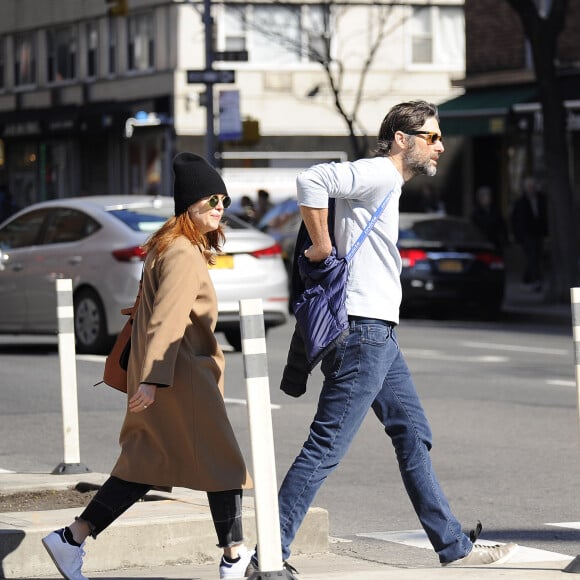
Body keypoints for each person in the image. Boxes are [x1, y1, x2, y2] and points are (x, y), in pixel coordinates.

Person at [251, 100, 517, 572]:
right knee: (326, 445)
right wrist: (322, 244)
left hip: (378, 335)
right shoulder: (378, 172)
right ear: (402, 139)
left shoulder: (388, 183)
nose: (440, 146)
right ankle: (269, 555)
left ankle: (452, 546)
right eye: (431, 137)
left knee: (413, 433)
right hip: (361, 332)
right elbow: (311, 179)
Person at [42, 152, 254, 580]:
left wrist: (151, 375)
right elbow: (168, 318)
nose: (219, 208)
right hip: (181, 375)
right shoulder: (182, 253)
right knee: (224, 463)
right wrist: (155, 379)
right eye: (211, 200)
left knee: (146, 464)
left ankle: (72, 538)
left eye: (224, 201)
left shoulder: (171, 245)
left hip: (168, 371)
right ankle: (233, 557)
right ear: (188, 204)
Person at [510, 175, 548, 291]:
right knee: (532, 256)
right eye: (529, 187)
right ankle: (537, 280)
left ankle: (527, 279)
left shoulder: (541, 199)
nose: (531, 189)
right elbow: (515, 219)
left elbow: (544, 216)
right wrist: (517, 235)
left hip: (539, 233)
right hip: (526, 234)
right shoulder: (520, 202)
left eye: (532, 186)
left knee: (536, 256)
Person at [470, 185, 509, 252]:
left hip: (496, 244)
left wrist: (504, 240)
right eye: (483, 196)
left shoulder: (495, 211)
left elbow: (502, 226)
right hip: (482, 243)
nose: (486, 198)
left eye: (487, 196)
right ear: (479, 198)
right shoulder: (475, 213)